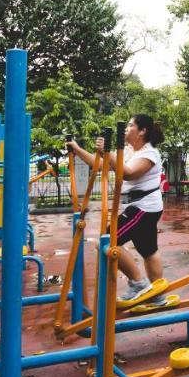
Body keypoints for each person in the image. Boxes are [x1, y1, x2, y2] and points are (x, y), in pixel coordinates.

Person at [67, 114, 168, 307]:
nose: (127, 129)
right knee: (148, 250)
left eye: (131, 125)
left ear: (142, 131)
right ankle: (158, 294)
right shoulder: (128, 151)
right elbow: (98, 165)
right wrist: (77, 149)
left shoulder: (150, 154)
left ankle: (139, 283)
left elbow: (128, 174)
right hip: (139, 206)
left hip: (143, 206)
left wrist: (109, 154)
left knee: (107, 240)